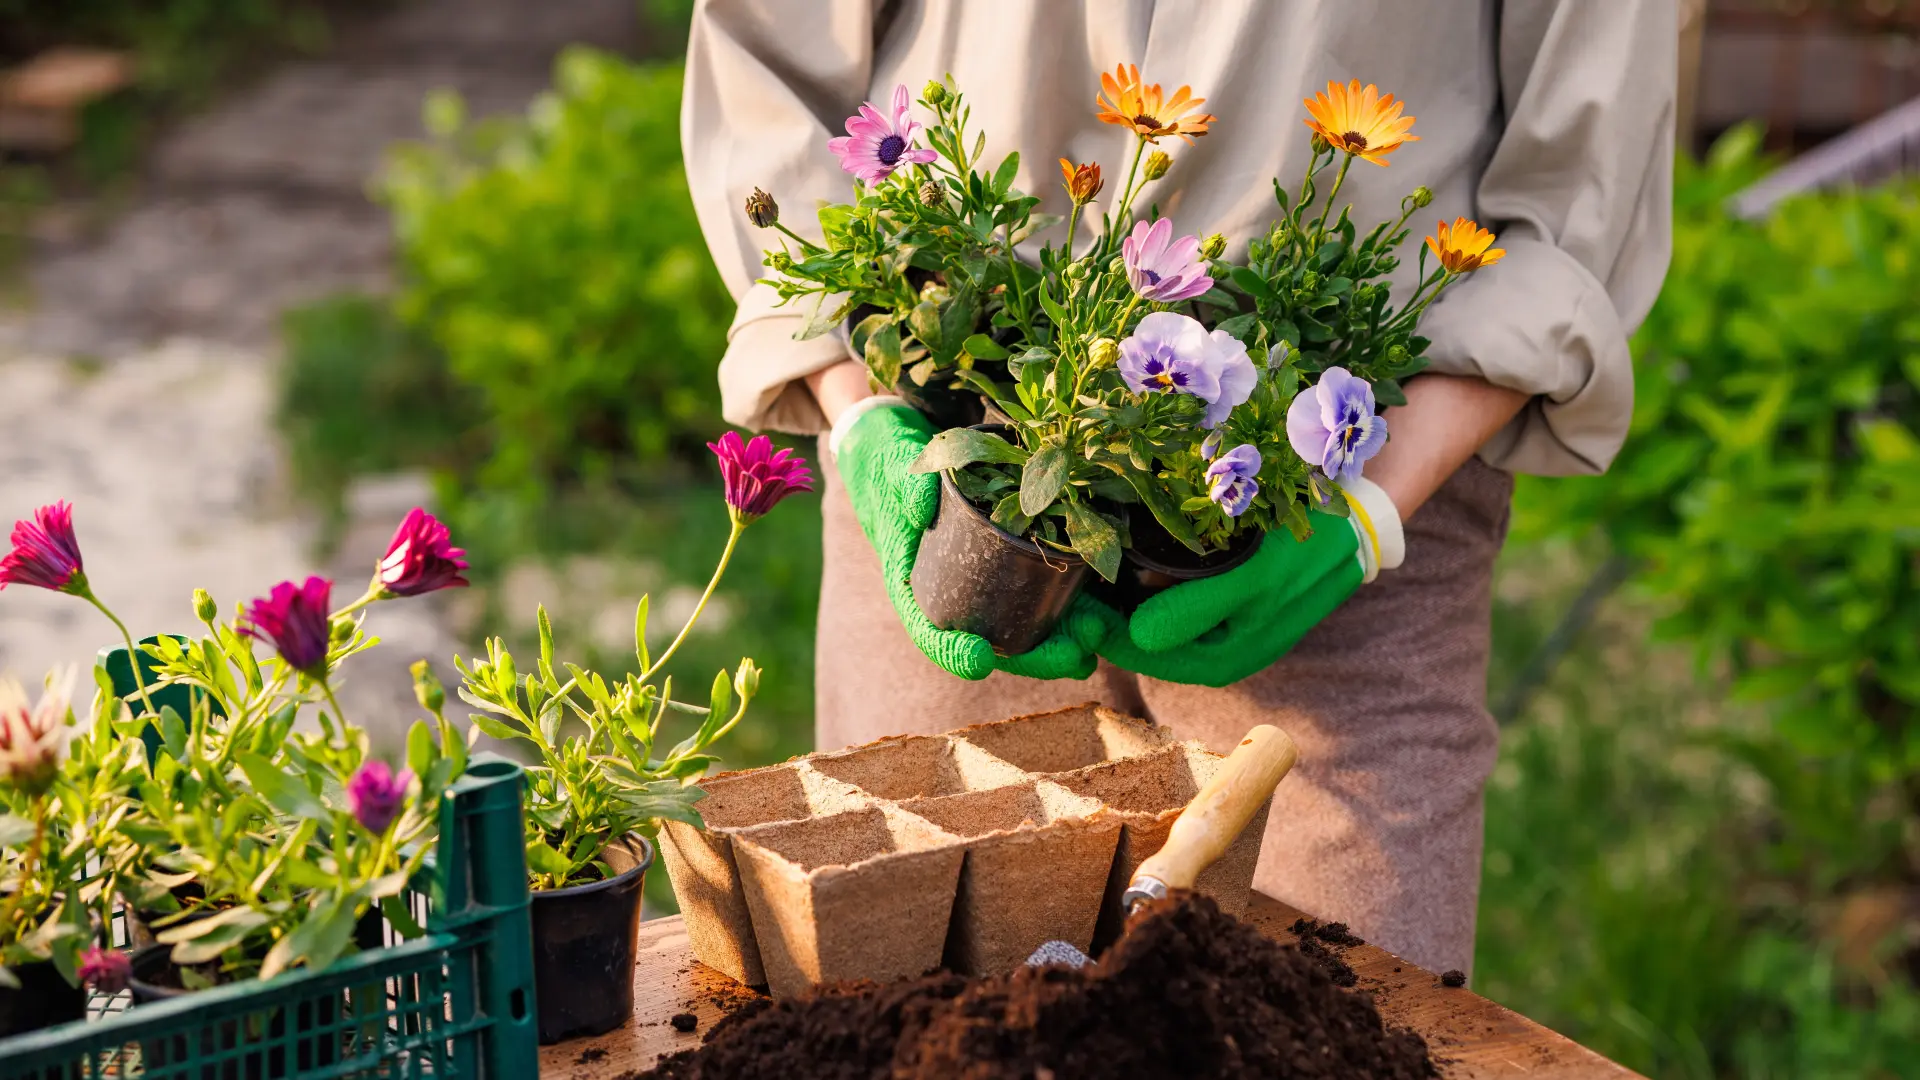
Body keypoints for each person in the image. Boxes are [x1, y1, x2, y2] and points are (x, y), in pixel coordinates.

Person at [683, 0, 1673, 977]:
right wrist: (861, 412)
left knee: (1333, 1016)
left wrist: (1368, 507)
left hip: (1334, 472)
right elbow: (767, 54)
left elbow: (1581, 181)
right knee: (902, 1007)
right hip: (957, 468)